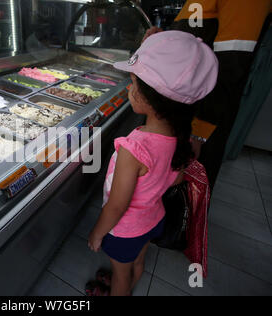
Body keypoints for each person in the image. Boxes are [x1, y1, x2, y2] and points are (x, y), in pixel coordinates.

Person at [87, 31, 219, 296]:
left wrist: (97, 234)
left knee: (121, 274)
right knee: (137, 261)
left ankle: (121, 288)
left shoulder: (134, 149)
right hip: (152, 220)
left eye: (133, 83)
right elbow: (176, 180)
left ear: (154, 98)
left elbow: (116, 206)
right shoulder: (185, 140)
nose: (128, 88)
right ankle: (131, 281)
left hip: (124, 230)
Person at [170, 0, 271, 188]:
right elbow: (193, 35)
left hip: (197, 120)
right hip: (178, 113)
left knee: (182, 194)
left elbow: (230, 66)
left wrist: (199, 132)